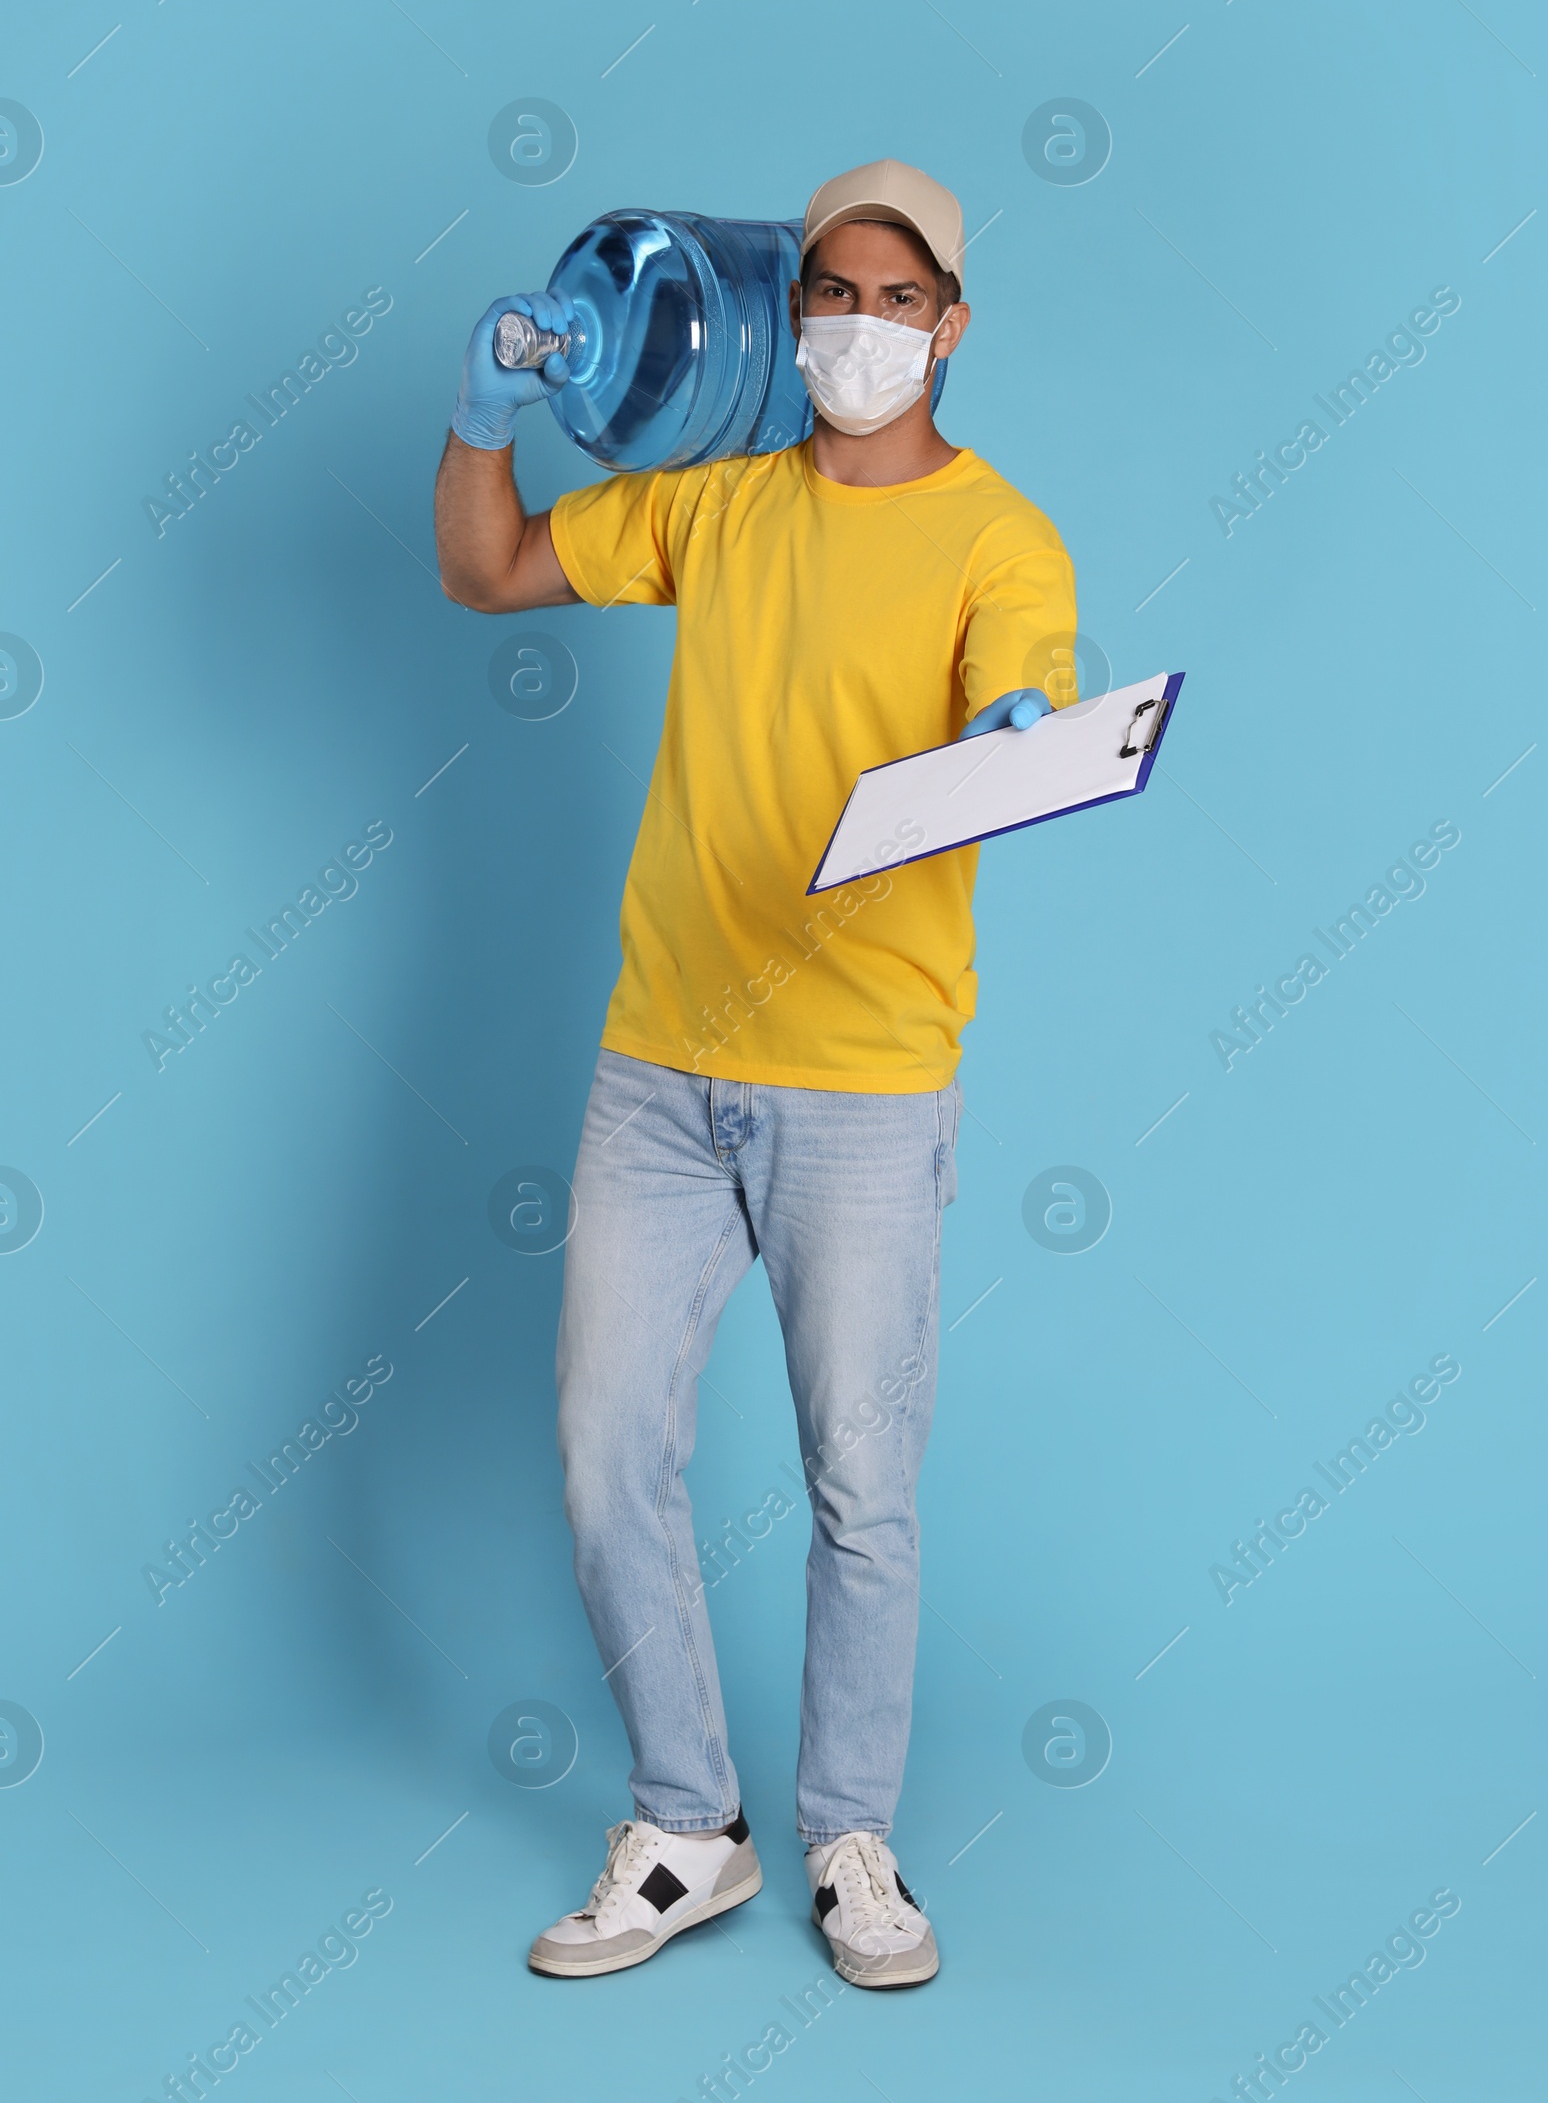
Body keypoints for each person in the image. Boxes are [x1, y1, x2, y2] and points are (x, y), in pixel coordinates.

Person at [434, 159, 1076, 1988]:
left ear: (951, 324)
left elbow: (1031, 682)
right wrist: (483, 420)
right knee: (599, 1449)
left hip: (866, 1086)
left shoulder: (1002, 540)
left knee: (858, 1487)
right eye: (831, 295)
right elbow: (485, 570)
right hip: (660, 1067)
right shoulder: (709, 508)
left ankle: (851, 1839)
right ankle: (687, 1826)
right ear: (786, 317)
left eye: (895, 301)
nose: (856, 328)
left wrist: (1016, 728)